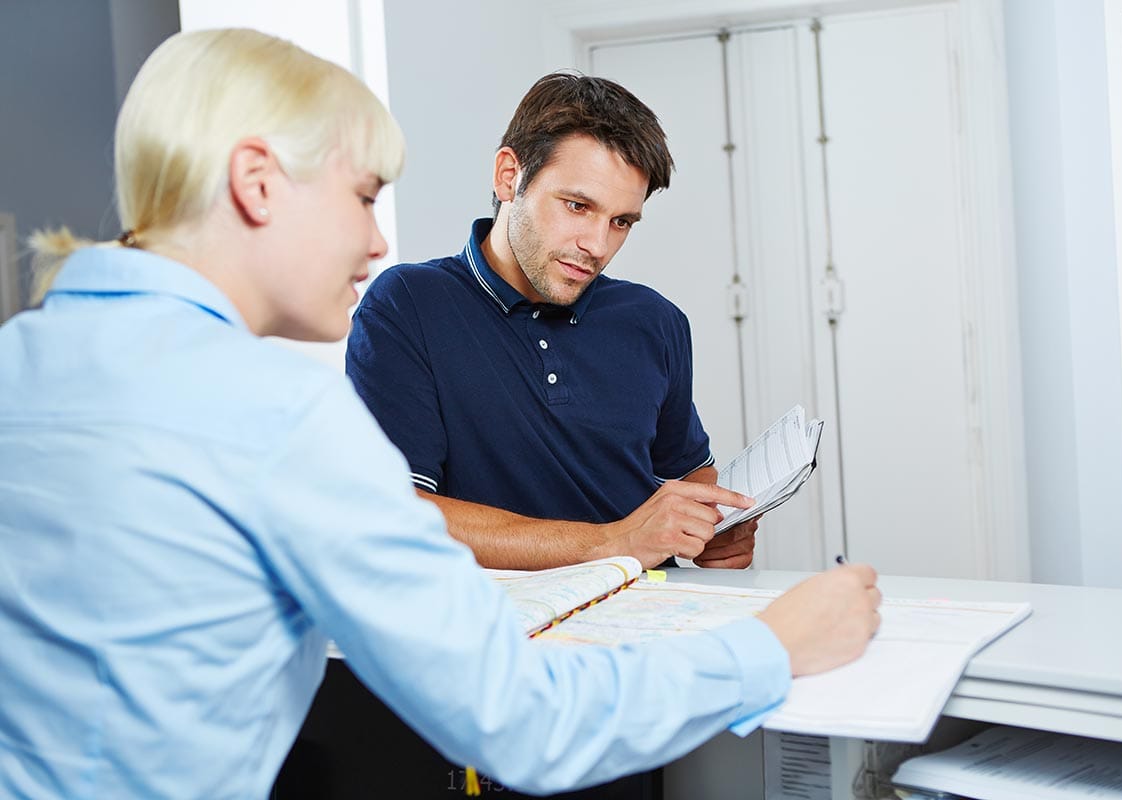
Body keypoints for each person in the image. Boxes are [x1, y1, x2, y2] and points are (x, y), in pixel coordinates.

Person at [0, 28, 882, 798]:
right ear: (258, 184)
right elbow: (521, 720)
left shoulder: (20, 366)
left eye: (622, 222)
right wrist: (777, 645)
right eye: (360, 196)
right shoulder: (275, 416)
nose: (377, 239)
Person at [346, 72, 761, 571]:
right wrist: (614, 543)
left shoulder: (655, 319)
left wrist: (715, 534)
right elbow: (396, 511)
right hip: (506, 630)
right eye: (578, 206)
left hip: (656, 619)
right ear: (508, 176)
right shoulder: (408, 304)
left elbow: (690, 478)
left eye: (621, 222)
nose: (598, 246)